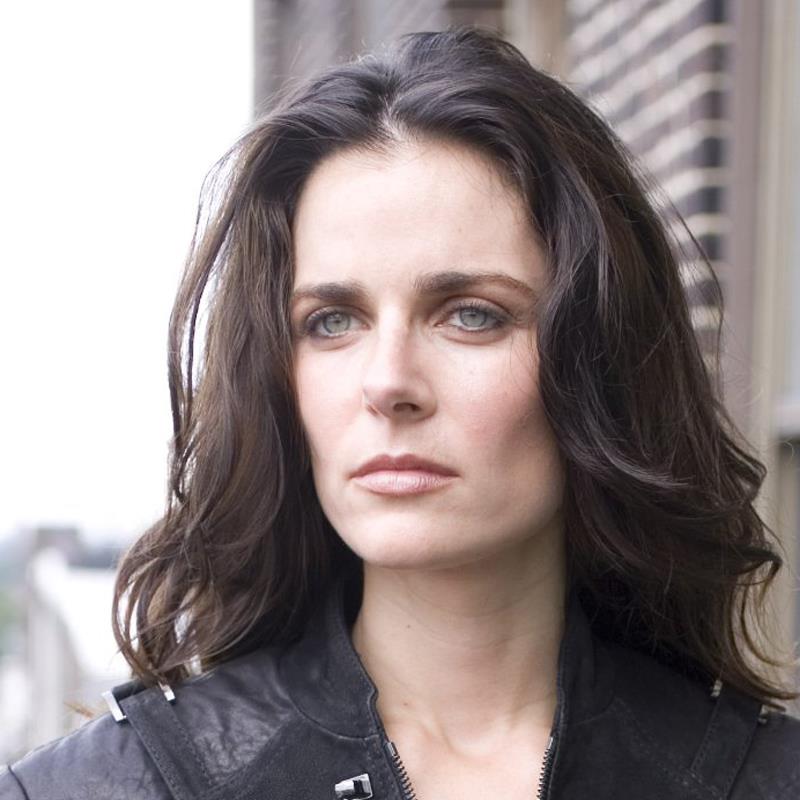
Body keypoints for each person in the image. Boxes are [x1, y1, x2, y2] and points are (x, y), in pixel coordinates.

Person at [2, 26, 798, 800]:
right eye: (331, 322)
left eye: (472, 315)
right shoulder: (102, 786)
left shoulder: (761, 777)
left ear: (600, 356)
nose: (388, 383)